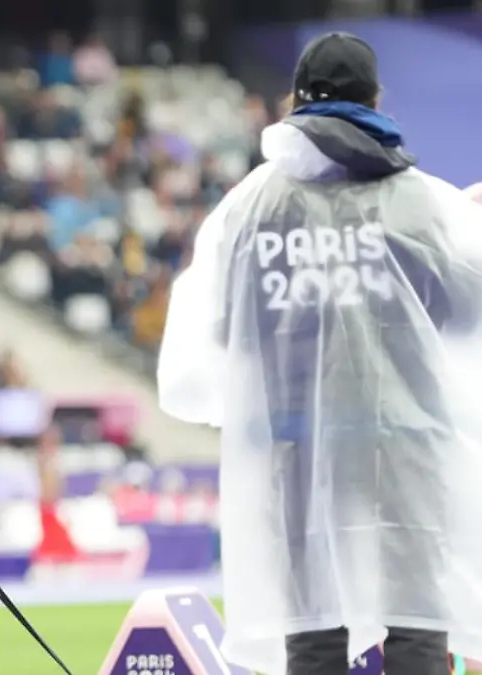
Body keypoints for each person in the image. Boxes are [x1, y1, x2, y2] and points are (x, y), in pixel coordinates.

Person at [156, 32, 482, 675]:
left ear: (294, 101)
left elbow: (215, 332)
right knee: (417, 619)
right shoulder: (417, 200)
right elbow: (467, 309)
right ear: (377, 98)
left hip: (297, 445)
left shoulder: (251, 206)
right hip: (408, 443)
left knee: (311, 626)